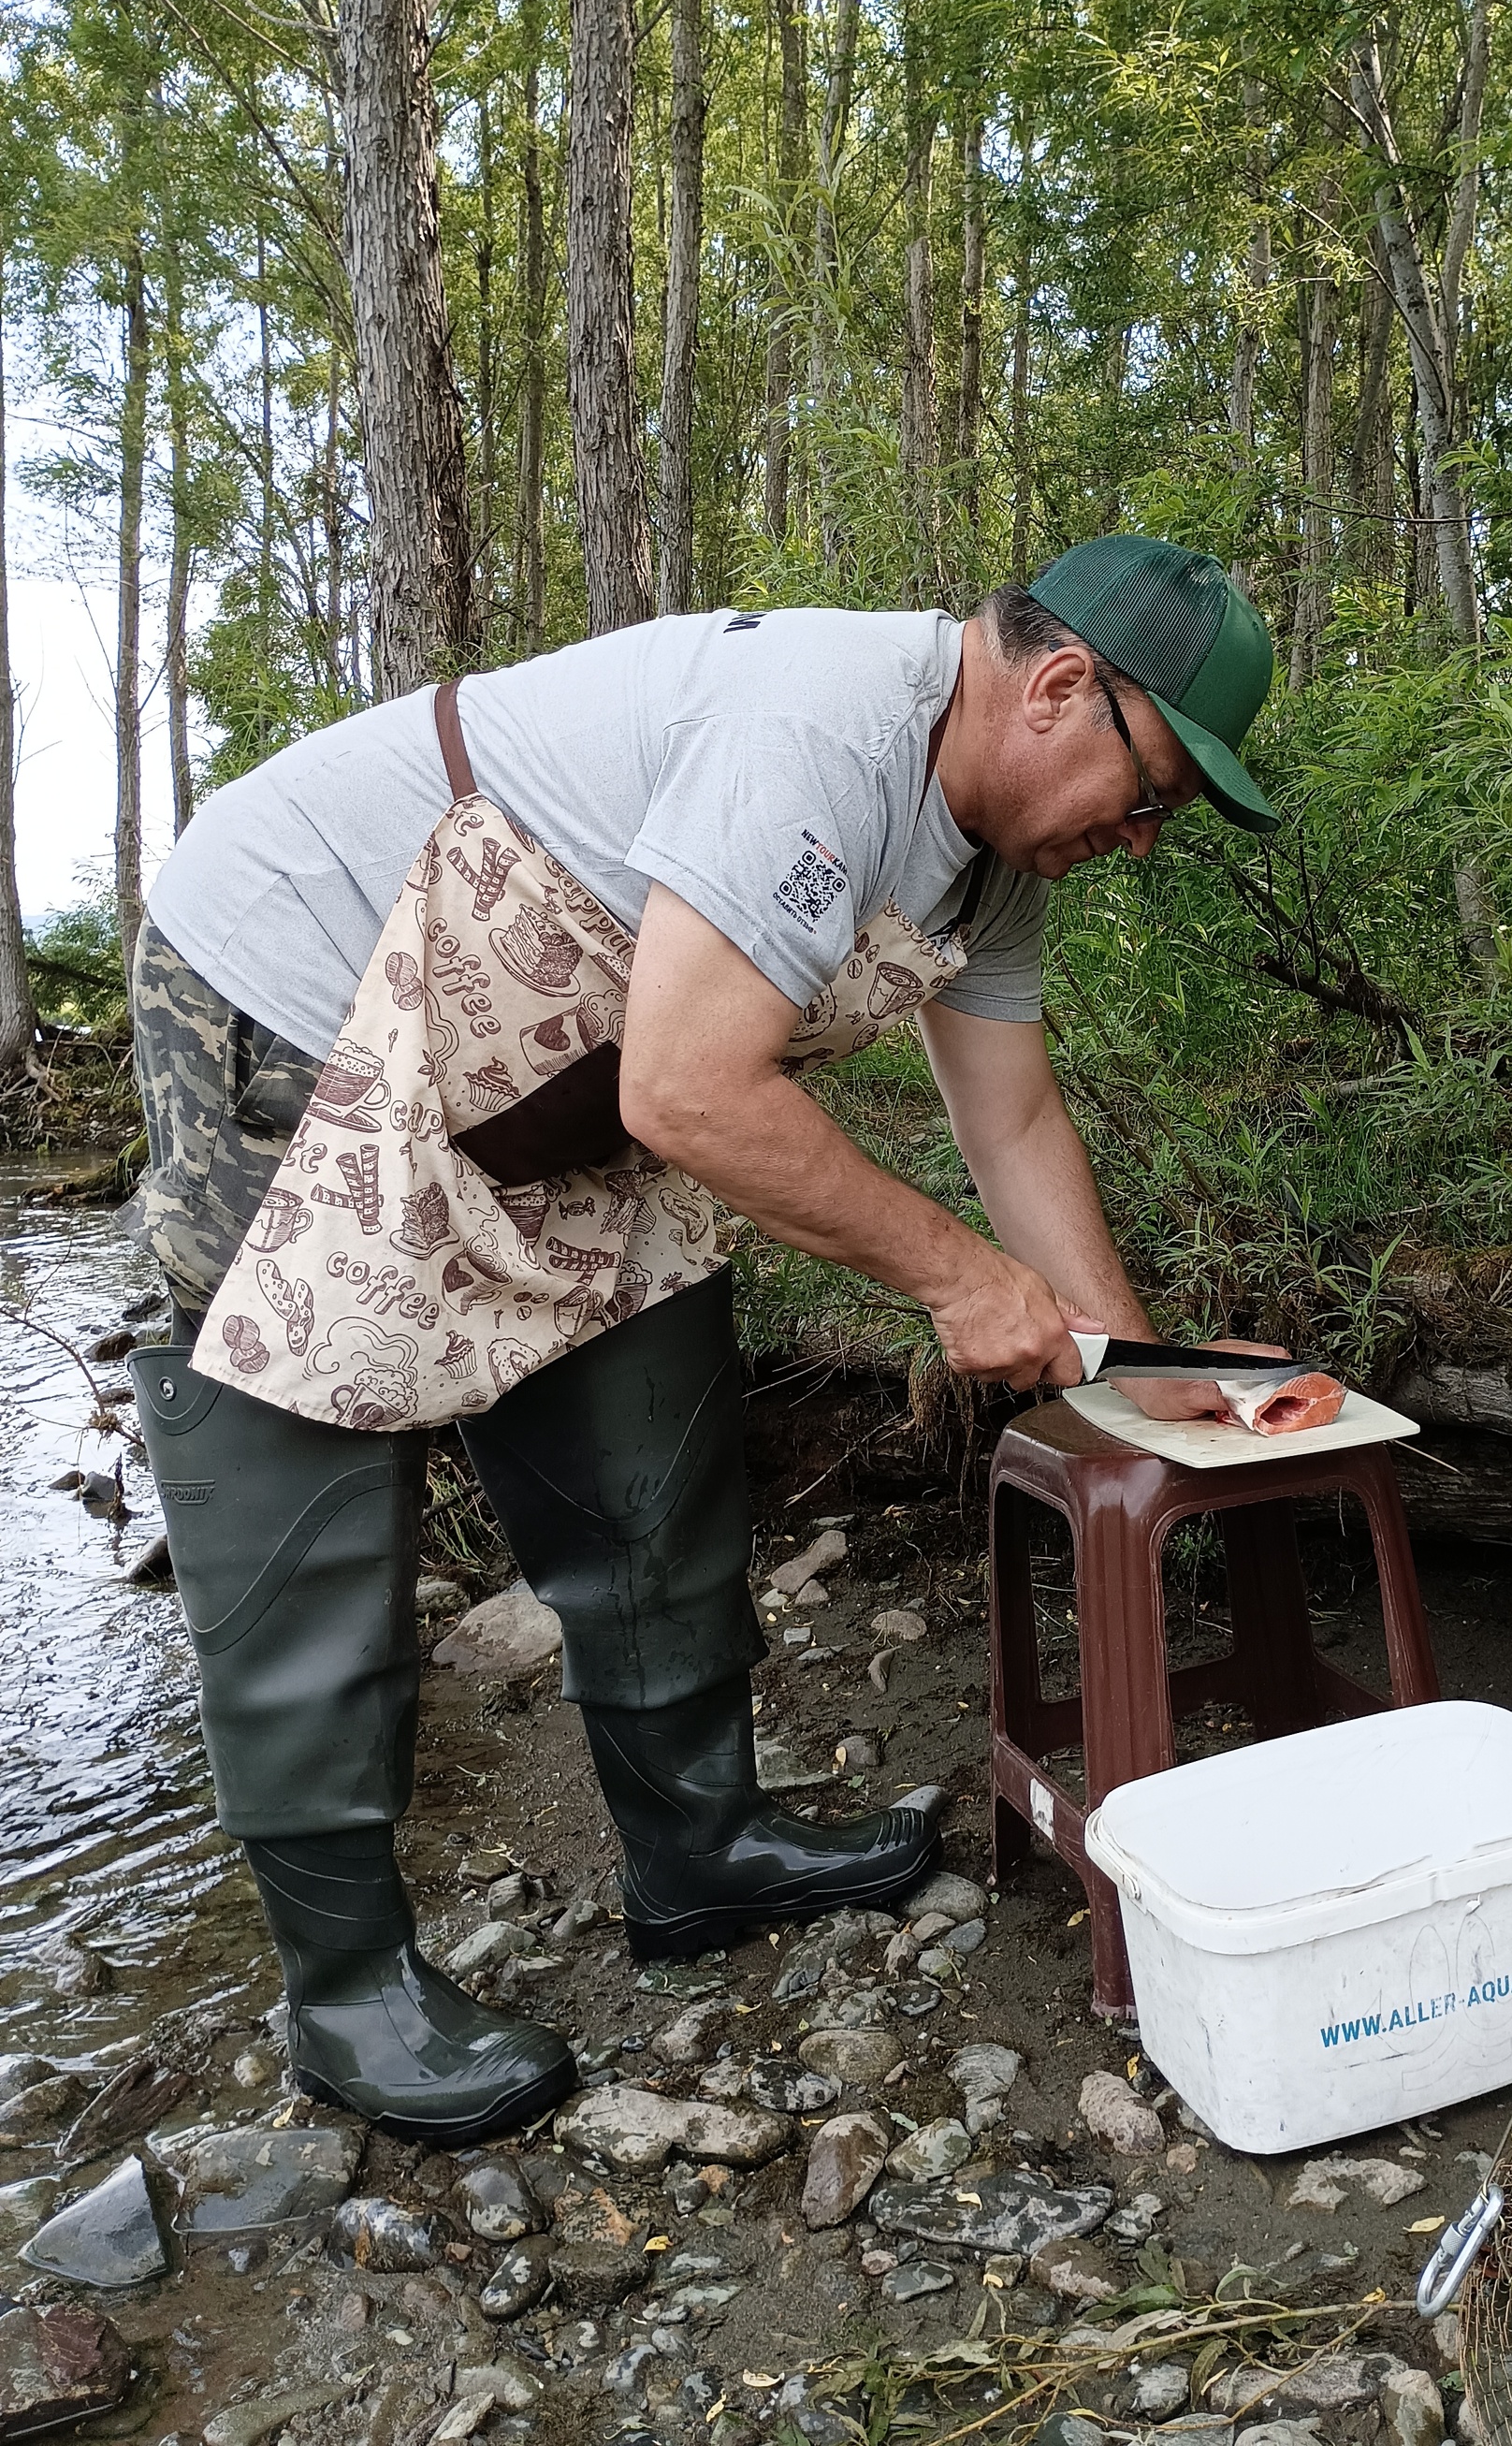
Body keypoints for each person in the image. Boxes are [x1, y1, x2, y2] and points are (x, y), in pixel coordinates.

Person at [125, 533, 1280, 2145]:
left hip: (572, 1059)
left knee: (653, 1421)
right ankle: (346, 1993)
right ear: (1063, 687)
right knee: (307, 1466)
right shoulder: (818, 729)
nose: (1146, 839)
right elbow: (692, 1092)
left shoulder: (996, 860)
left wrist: (1145, 1381)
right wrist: (954, 1282)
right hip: (305, 989)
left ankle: (699, 1847)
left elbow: (1011, 1122)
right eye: (1150, 792)